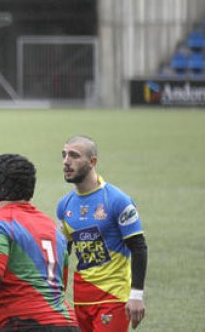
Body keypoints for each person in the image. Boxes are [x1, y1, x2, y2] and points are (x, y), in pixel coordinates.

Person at [0, 154, 77, 332]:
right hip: (69, 325)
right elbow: (59, 285)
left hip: (24, 324)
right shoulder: (52, 228)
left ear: (0, 186)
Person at [58, 136, 148, 331]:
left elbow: (139, 247)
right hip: (80, 299)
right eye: (64, 155)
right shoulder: (64, 205)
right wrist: (56, 293)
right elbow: (63, 252)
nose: (66, 161)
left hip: (113, 297)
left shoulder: (117, 201)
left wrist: (136, 295)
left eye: (74, 155)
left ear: (93, 162)